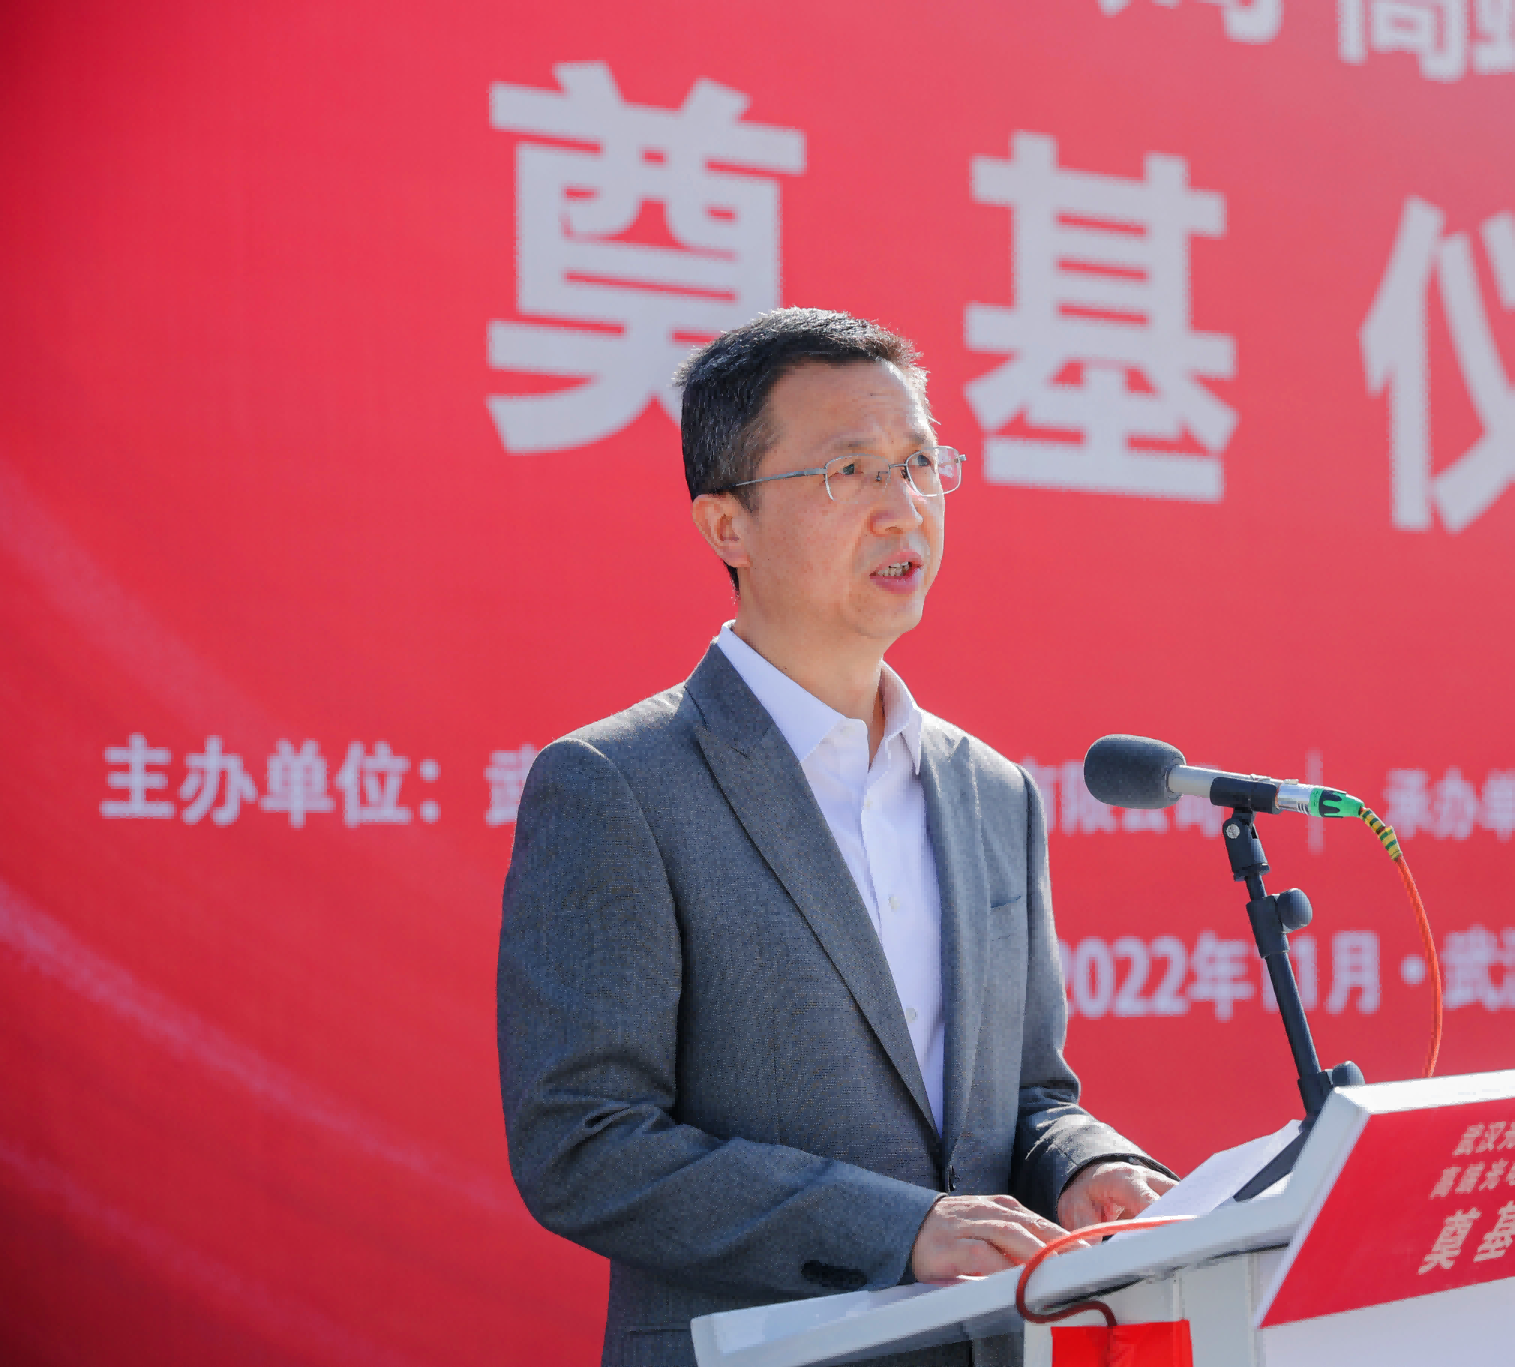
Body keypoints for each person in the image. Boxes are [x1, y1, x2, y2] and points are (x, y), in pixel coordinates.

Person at [497, 308, 1175, 1367]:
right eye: (849, 471)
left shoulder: (993, 791)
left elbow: (1032, 1096)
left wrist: (1087, 1162)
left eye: (919, 463)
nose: (904, 507)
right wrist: (894, 1228)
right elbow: (581, 1142)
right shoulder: (618, 784)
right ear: (727, 526)